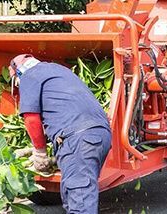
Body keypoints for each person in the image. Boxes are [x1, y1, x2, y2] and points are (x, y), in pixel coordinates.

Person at [9, 54, 111, 214]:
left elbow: (31, 119)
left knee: (80, 203)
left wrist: (40, 152)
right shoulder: (59, 70)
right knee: (73, 194)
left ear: (19, 72)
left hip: (78, 138)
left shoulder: (29, 75)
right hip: (100, 134)